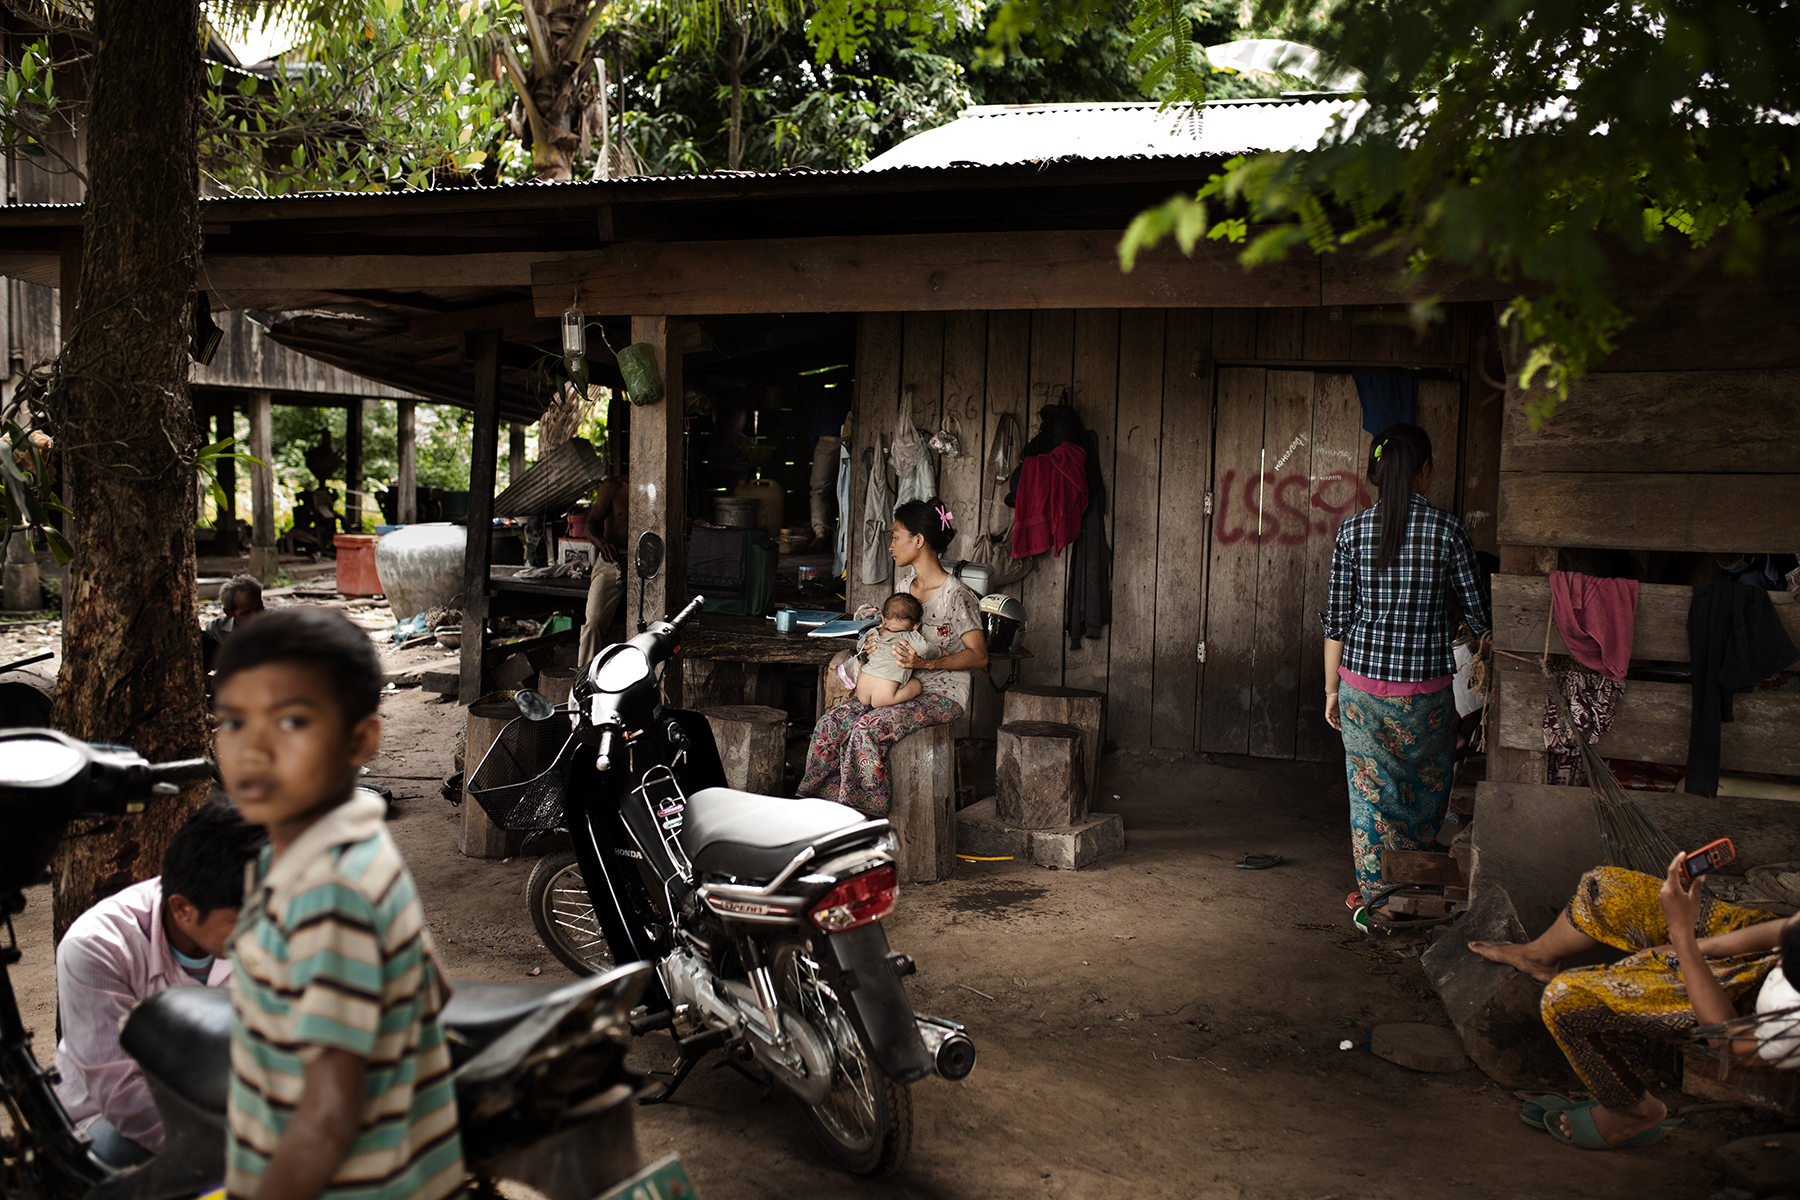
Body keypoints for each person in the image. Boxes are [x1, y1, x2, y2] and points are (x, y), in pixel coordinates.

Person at [214, 609, 462, 1200]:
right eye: (233, 721)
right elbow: (434, 987)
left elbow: (327, 1117)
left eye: (291, 721)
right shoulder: (350, 843)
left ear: (362, 740)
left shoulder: (327, 891)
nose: (254, 748)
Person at [1471, 855, 1800, 1149]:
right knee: (1605, 889)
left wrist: (1683, 941)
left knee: (1568, 999)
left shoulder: (1792, 1023)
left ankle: (1631, 1112)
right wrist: (1697, 945)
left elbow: (1729, 1040)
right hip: (1764, 960)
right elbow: (1787, 928)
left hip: (1739, 1013)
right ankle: (1537, 957)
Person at [1321, 423, 1489, 929]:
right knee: (1425, 787)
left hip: (1361, 689)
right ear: (1426, 471)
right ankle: (1413, 887)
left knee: (1371, 797)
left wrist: (1331, 690)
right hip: (1426, 694)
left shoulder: (1351, 531)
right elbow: (1479, 616)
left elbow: (1336, 622)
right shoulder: (1448, 530)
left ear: (1375, 473)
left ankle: (1379, 900)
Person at [53, 800, 267, 1167]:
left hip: (222, 1099)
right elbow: (122, 1096)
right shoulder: (97, 947)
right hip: (111, 1118)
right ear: (183, 909)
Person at [798, 498, 987, 817]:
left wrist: (926, 663)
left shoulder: (956, 595)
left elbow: (979, 657)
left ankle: (863, 815)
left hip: (939, 694)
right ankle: (820, 808)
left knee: (866, 729)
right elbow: (890, 634)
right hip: (894, 686)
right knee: (831, 723)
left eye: (896, 537)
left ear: (919, 540)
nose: (891, 546)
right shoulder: (904, 588)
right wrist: (875, 646)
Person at [580, 470, 629, 669]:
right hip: (612, 558)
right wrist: (602, 543)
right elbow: (590, 525)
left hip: (647, 560)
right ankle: (584, 677)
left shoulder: (659, 485)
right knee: (594, 621)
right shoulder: (613, 487)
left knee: (649, 623)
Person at [854, 592, 937, 709]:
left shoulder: (874, 632)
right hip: (885, 697)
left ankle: (861, 689)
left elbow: (860, 647)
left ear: (883, 618)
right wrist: (941, 652)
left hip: (862, 693)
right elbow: (926, 649)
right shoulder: (910, 637)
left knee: (861, 664)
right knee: (917, 684)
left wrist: (865, 656)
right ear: (916, 626)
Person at [808, 390, 850, 550]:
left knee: (819, 490)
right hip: (849, 442)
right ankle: (848, 530)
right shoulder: (852, 397)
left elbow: (815, 426)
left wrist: (814, 449)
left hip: (827, 442)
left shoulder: (827, 399)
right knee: (849, 488)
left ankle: (820, 531)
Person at [202, 575, 267, 673]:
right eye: (246, 613)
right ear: (229, 613)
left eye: (259, 609)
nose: (255, 617)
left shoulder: (278, 623)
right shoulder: (216, 628)